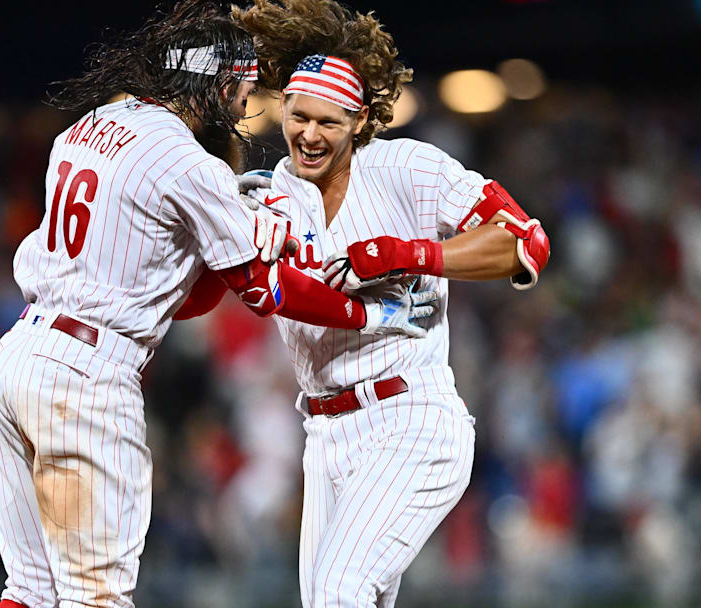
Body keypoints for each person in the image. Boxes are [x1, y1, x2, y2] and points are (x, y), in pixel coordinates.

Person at [0, 2, 437, 607]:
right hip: (84, 380)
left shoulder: (85, 127)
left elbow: (177, 297)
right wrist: (371, 314)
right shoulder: (187, 162)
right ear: (217, 85)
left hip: (16, 359)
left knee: (29, 589)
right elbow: (262, 289)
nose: (244, 108)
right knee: (99, 596)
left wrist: (217, 236)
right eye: (242, 90)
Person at [228, 1, 553, 606]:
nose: (308, 134)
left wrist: (412, 254)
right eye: (298, 117)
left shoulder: (405, 167)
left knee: (340, 588)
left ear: (359, 122)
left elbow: (523, 241)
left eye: (328, 122)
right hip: (323, 434)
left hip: (411, 417)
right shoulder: (272, 198)